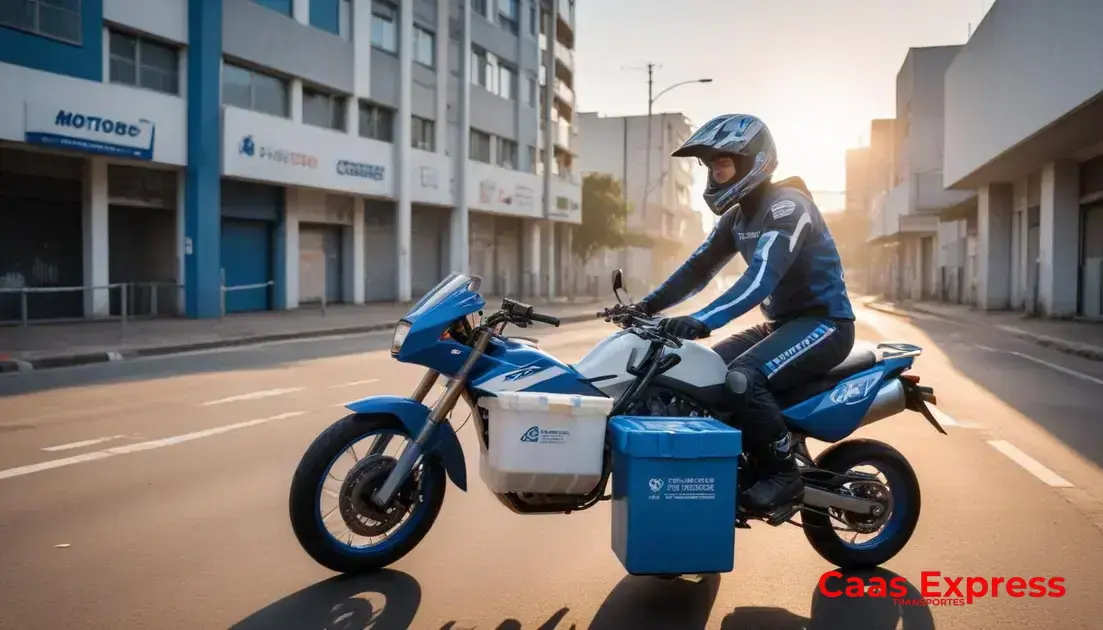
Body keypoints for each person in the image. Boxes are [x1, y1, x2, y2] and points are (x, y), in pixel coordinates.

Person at [630, 113, 855, 515]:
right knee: (702, 370)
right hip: (782, 324)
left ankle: (783, 476)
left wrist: (704, 319)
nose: (716, 174)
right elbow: (698, 269)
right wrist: (646, 306)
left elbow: (761, 278)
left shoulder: (788, 207)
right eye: (712, 166)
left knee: (742, 377)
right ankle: (737, 462)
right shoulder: (737, 217)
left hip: (826, 324)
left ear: (754, 160)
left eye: (724, 164)